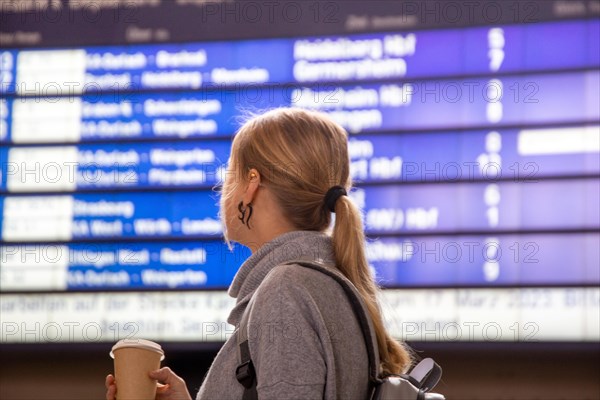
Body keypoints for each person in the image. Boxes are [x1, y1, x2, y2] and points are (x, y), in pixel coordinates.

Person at [106, 108, 412, 400]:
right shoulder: (327, 284)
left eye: (230, 174)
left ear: (252, 183)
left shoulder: (286, 290)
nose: (223, 189)